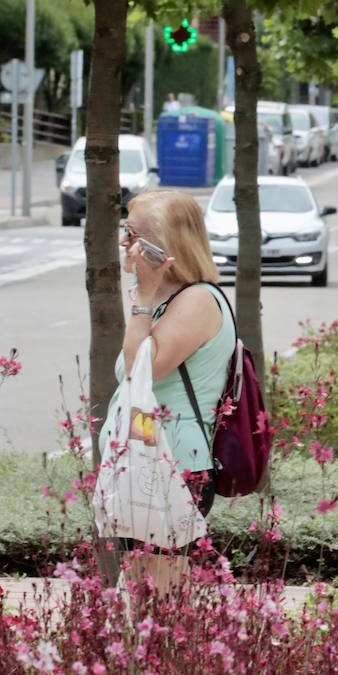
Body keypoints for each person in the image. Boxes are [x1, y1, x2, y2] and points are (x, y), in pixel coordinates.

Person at [95, 190, 234, 593]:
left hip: (171, 466)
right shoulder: (168, 301)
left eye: (132, 233)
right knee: (141, 596)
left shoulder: (197, 301)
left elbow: (143, 369)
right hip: (142, 463)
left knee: (161, 600)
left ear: (163, 245)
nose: (124, 243)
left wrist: (141, 296)